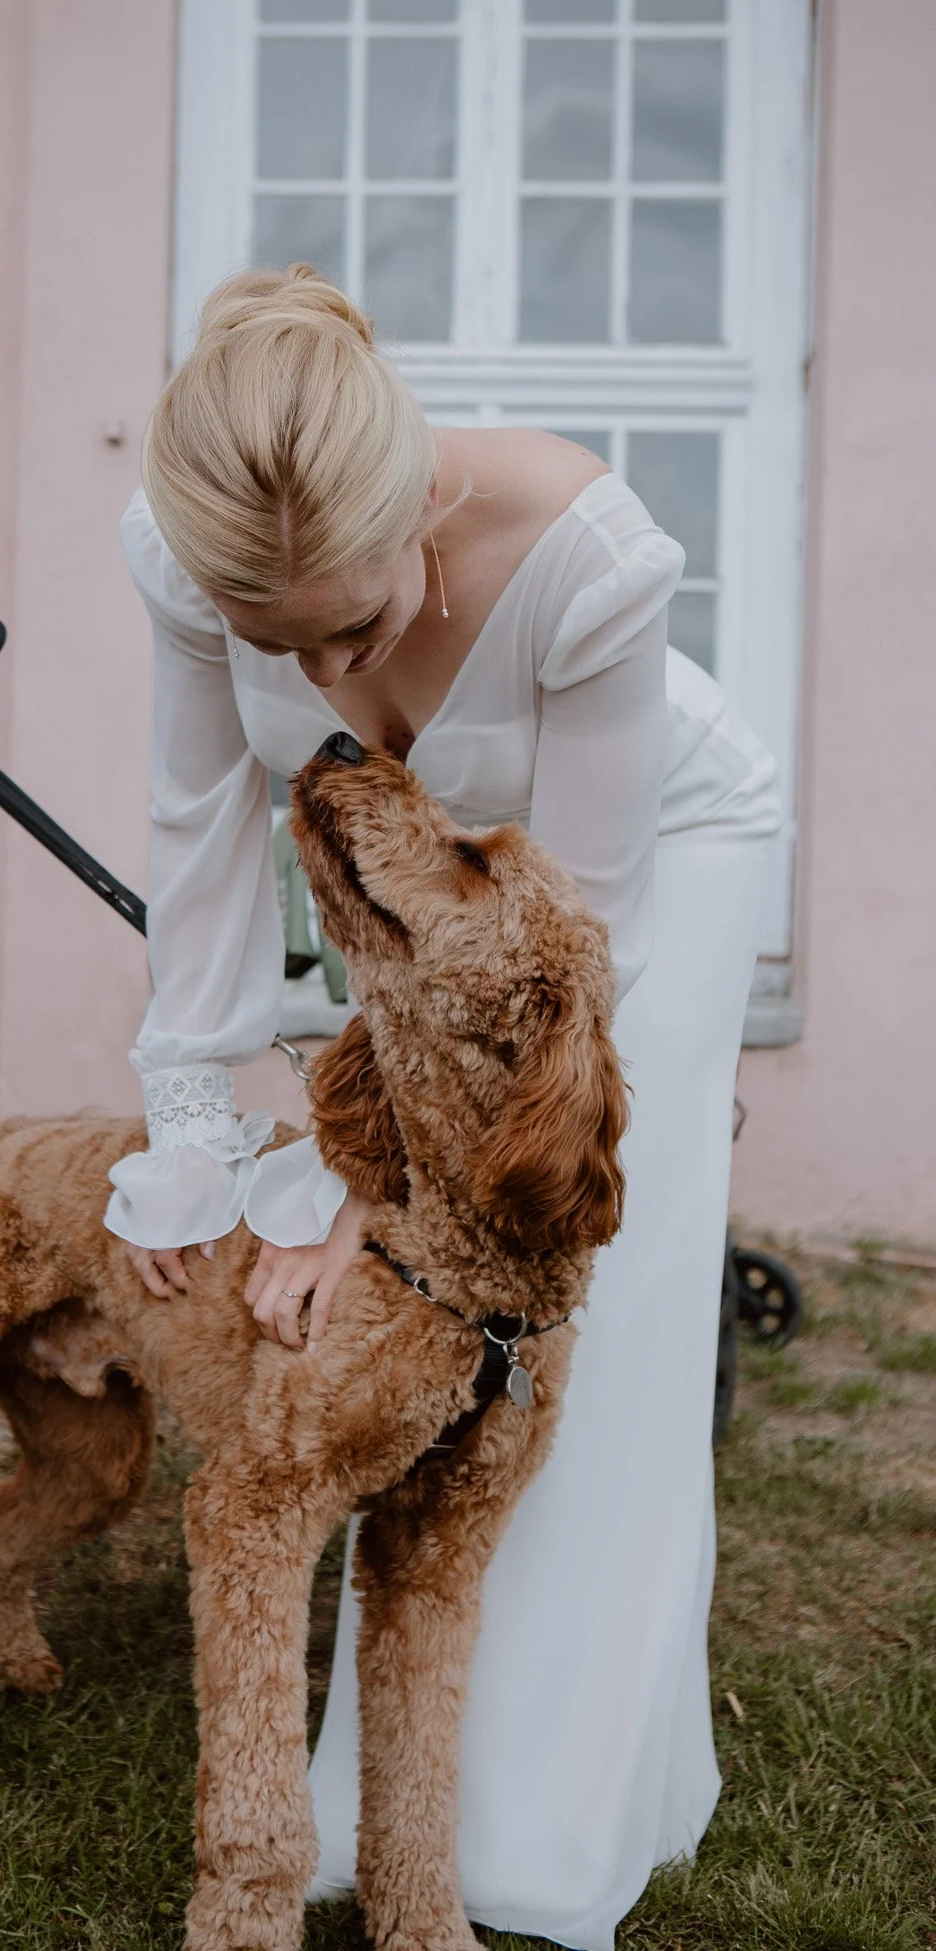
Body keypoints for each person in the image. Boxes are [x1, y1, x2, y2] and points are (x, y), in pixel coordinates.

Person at [103, 266, 780, 1950]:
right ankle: (367, 1806)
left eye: (358, 628)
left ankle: (544, 1817)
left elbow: (568, 943)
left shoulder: (588, 558)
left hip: (640, 879)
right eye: (283, 648)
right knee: (390, 1330)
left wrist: (365, 1197)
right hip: (443, 934)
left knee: (573, 1302)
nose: (329, 674)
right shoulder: (188, 554)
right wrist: (194, 1136)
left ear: (418, 505)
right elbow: (203, 846)